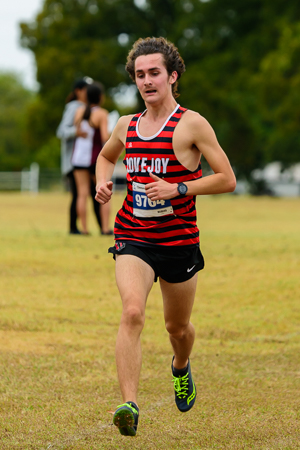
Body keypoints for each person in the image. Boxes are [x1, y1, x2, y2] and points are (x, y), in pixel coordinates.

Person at [95, 37, 236, 437]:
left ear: (172, 76)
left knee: (178, 328)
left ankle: (180, 367)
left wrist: (179, 189)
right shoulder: (127, 125)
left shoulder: (192, 124)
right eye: (140, 75)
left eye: (154, 72)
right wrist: (103, 185)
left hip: (178, 241)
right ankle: (129, 404)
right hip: (133, 236)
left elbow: (227, 178)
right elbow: (106, 157)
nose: (146, 81)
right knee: (133, 312)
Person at [56, 77, 102, 234]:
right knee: (78, 194)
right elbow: (61, 130)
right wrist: (75, 132)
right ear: (78, 91)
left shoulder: (86, 108)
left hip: (85, 158)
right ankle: (73, 228)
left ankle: (95, 227)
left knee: (86, 193)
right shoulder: (74, 107)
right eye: (85, 89)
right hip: (74, 159)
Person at [72, 82, 112, 235]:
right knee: (105, 192)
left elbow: (77, 131)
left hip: (77, 158)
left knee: (82, 194)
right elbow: (104, 137)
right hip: (95, 159)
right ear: (100, 97)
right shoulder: (102, 114)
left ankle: (84, 229)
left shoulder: (78, 112)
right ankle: (105, 228)